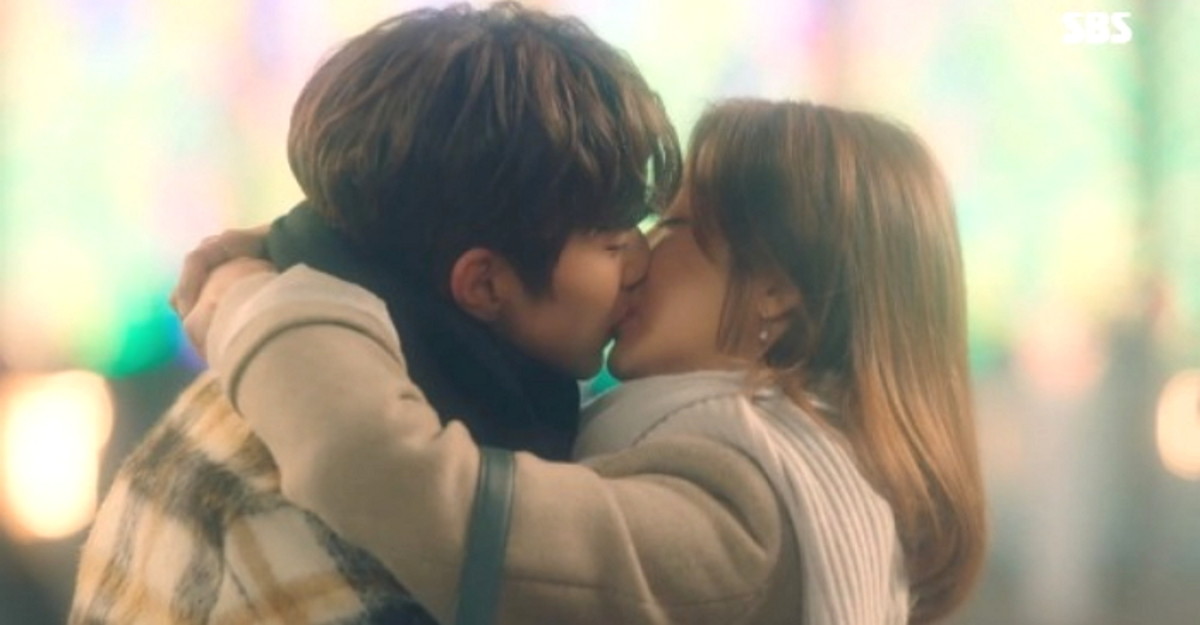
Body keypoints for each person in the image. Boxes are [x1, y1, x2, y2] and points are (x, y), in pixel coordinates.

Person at [182, 100, 988, 624]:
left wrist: (252, 302)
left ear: (775, 293)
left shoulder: (747, 517)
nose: (636, 255)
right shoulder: (799, 480)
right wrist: (318, 254)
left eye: (674, 227)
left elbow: (404, 484)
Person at [69, 3, 679, 623]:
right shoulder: (349, 526)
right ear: (484, 285)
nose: (642, 260)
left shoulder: (270, 379)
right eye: (610, 242)